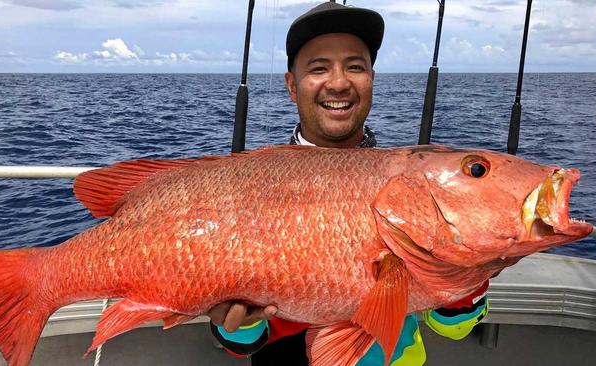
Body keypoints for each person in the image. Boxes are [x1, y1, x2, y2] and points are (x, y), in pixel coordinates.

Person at [207, 2, 489, 365]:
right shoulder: (249, 188)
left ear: (371, 78)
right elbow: (239, 345)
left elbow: (454, 328)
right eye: (319, 68)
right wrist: (237, 321)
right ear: (292, 85)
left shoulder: (412, 187)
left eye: (355, 67)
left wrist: (471, 265)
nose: (339, 83)